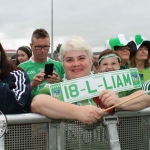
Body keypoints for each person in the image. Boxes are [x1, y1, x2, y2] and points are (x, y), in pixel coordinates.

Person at [31, 36, 104, 125]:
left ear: (90, 60)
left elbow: (125, 100)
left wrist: (117, 102)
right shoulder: (56, 87)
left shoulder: (105, 82)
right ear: (63, 64)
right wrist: (79, 112)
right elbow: (37, 103)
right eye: (69, 60)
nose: (76, 64)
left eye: (81, 58)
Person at [19, 29, 65, 98]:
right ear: (31, 46)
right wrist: (32, 85)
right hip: (32, 108)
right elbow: (17, 97)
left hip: (56, 107)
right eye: (38, 47)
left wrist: (59, 82)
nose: (42, 50)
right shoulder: (21, 68)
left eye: (46, 46)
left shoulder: (59, 65)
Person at [0, 43, 31, 114]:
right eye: (18, 56)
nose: (20, 58)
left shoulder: (17, 74)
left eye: (22, 55)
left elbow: (15, 104)